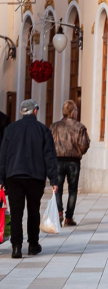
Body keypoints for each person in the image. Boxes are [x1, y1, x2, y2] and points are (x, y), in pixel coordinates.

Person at [0, 100, 59, 259]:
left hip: (14, 176)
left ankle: (16, 247)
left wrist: (1, 179)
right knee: (34, 211)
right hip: (35, 177)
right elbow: (49, 157)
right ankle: (33, 245)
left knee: (17, 212)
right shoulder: (43, 130)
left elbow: (3, 156)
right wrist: (53, 180)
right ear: (35, 111)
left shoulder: (10, 129)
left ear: (21, 112)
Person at [50, 100, 90, 227]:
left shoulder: (54, 126)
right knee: (72, 190)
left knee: (57, 188)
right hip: (73, 161)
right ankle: (68, 217)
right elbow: (84, 144)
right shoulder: (80, 127)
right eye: (76, 110)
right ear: (73, 112)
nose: (77, 112)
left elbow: (48, 143)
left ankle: (60, 211)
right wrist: (78, 151)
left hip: (58, 160)